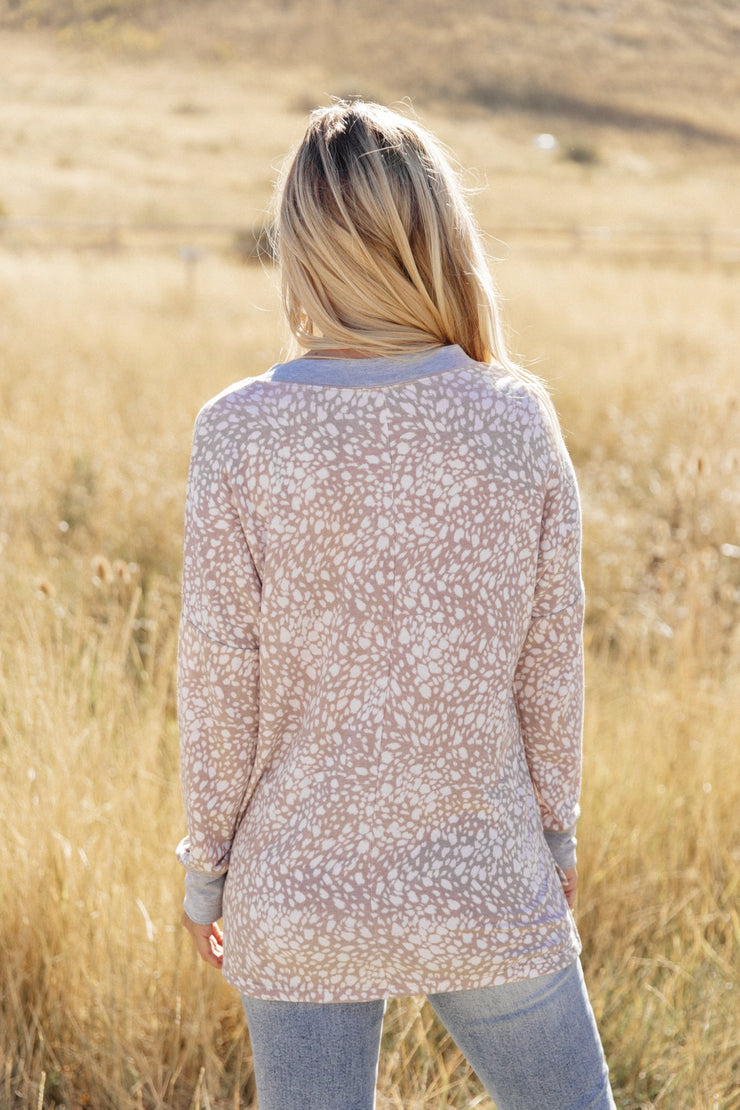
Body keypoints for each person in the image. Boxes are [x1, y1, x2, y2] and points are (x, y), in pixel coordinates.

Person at [176, 99, 616, 1110]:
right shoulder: (513, 416)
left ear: (301, 246)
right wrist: (553, 840)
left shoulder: (239, 433)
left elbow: (216, 679)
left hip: (298, 893)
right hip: (485, 879)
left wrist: (208, 874)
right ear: (435, 236)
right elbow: (550, 659)